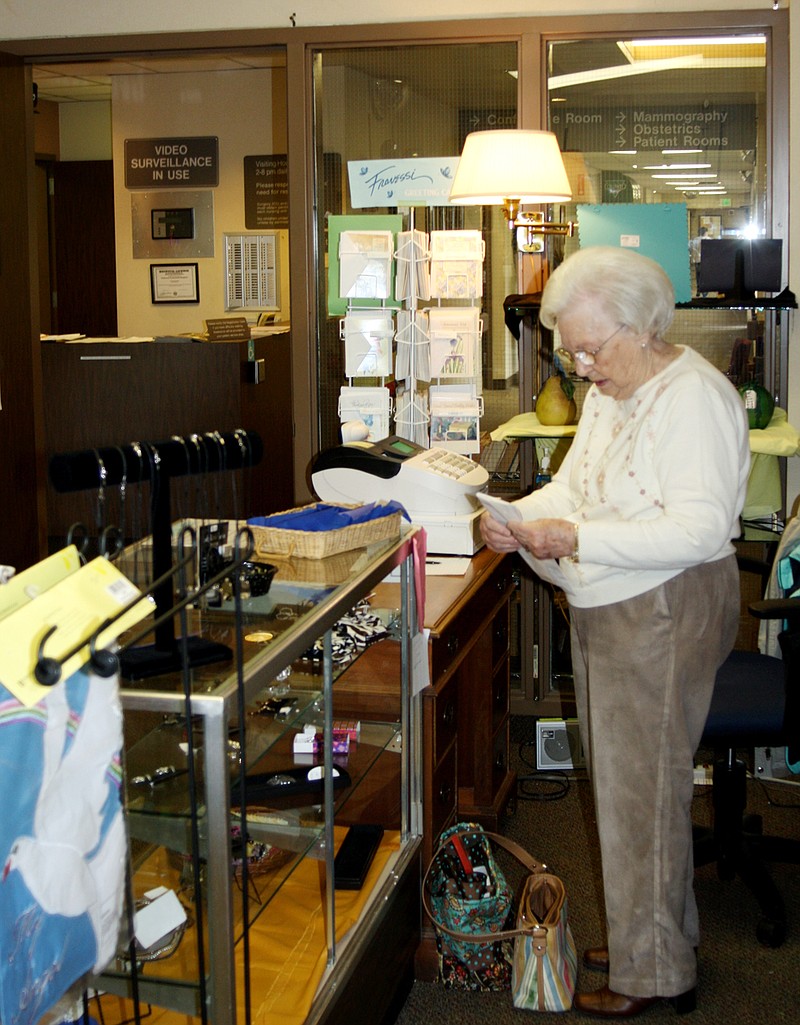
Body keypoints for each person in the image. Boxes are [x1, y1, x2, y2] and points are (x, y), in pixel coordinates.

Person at [481, 246, 749, 1018]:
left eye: (591, 347)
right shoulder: (613, 387)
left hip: (663, 605)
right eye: (573, 349)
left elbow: (701, 530)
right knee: (634, 787)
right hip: (615, 599)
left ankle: (653, 972)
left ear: (640, 326)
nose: (583, 365)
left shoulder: (689, 397)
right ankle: (652, 937)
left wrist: (577, 541)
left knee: (641, 794)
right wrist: (525, 518)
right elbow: (577, 482)